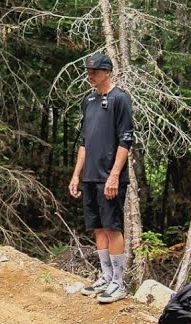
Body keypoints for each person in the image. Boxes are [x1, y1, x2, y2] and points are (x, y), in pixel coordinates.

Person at [68, 51, 135, 305]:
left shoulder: (120, 99)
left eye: (94, 72)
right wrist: (77, 174)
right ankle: (105, 276)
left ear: (107, 72)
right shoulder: (89, 101)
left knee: (112, 226)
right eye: (88, 72)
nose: (90, 76)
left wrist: (115, 175)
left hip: (110, 176)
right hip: (90, 176)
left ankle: (119, 282)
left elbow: (126, 140)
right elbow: (84, 142)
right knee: (97, 226)